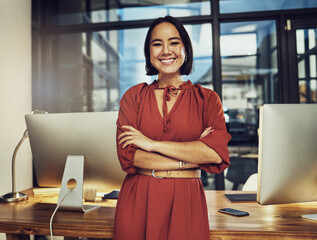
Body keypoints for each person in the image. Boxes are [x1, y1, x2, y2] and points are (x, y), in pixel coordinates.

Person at [114, 16, 231, 240]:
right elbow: (129, 157)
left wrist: (151, 144)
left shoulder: (207, 99)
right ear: (149, 52)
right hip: (138, 198)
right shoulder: (133, 97)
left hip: (186, 200)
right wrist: (193, 156)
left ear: (185, 48)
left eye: (174, 42)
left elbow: (216, 154)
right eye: (157, 44)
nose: (166, 50)